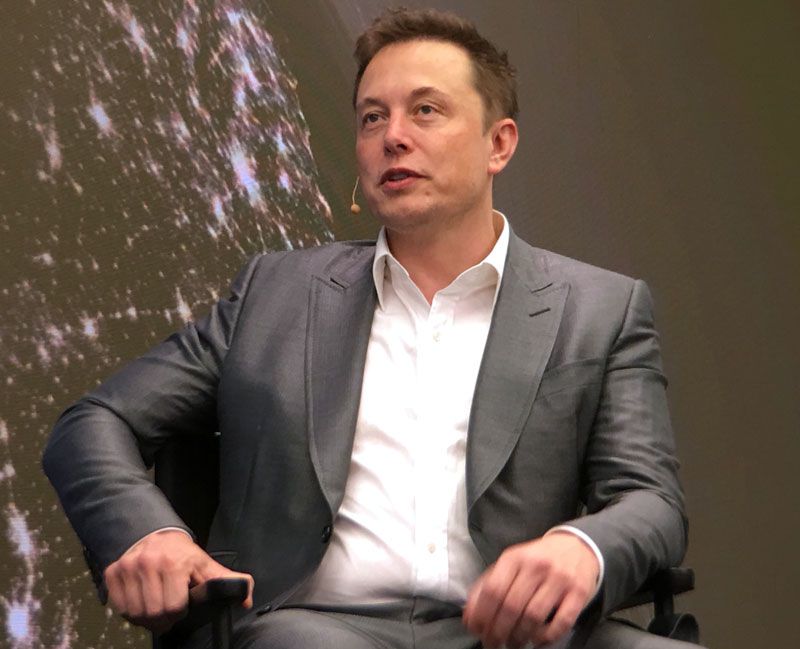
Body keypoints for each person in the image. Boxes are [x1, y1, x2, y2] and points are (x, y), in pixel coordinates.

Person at [44, 8, 691, 649]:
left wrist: (582, 547)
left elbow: (650, 501)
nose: (393, 136)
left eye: (426, 110)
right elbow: (95, 421)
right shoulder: (274, 293)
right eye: (372, 117)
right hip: (308, 625)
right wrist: (149, 533)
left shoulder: (598, 309)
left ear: (498, 144)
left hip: (517, 634)